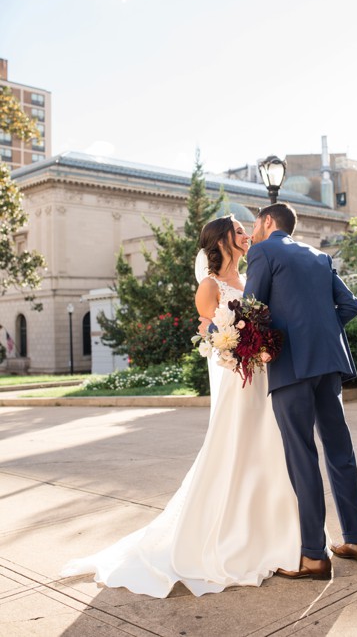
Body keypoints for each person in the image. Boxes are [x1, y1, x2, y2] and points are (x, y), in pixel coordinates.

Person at [61, 216, 301, 597]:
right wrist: (237, 345)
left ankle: (279, 534)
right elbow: (210, 331)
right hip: (236, 382)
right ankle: (230, 538)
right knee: (236, 449)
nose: (245, 235)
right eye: (238, 231)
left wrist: (262, 344)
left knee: (270, 449)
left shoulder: (254, 278)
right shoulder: (209, 285)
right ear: (221, 240)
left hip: (262, 378)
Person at [242, 202, 357, 581]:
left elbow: (251, 311)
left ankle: (314, 555)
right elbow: (350, 305)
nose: (252, 230)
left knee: (301, 455)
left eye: (255, 223)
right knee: (339, 451)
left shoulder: (263, 251)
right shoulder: (319, 256)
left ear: (268, 222)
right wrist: (321, 331)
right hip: (329, 363)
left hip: (292, 365)